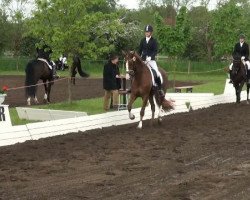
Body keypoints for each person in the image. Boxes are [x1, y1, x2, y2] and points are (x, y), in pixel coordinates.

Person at [138, 25, 164, 98]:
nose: (146, 33)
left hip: (151, 60)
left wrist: (151, 57)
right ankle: (134, 87)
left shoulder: (154, 41)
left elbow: (155, 51)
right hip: (143, 60)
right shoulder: (142, 40)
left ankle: (159, 89)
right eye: (146, 32)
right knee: (137, 71)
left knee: (157, 72)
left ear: (151, 33)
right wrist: (136, 57)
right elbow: (139, 50)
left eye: (148, 32)